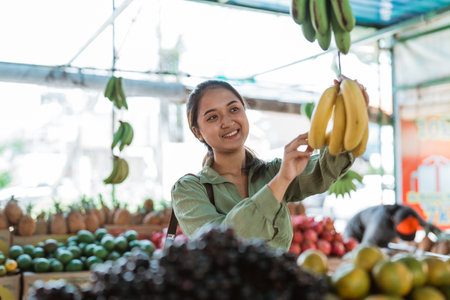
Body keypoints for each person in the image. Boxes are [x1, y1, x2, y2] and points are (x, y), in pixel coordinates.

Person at [171, 78, 367, 251]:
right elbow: (221, 242)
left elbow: (323, 172)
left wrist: (353, 114)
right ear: (198, 132)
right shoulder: (188, 190)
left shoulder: (271, 172)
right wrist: (282, 180)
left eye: (234, 109)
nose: (228, 121)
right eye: (213, 117)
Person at [343, 204, 442, 248]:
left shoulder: (410, 214)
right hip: (355, 232)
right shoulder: (379, 226)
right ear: (393, 220)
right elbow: (364, 248)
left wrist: (444, 236)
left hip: (377, 237)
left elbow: (428, 226)